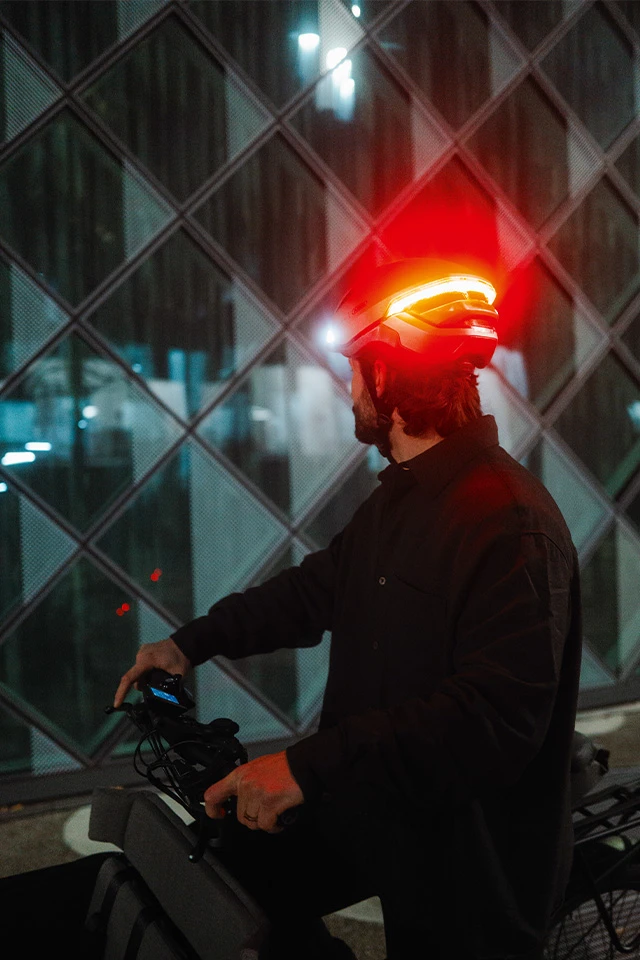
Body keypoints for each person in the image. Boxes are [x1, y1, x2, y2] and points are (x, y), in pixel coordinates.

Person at [112, 258, 583, 960]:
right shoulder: (401, 499)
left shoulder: (509, 522)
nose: (350, 389)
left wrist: (307, 767)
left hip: (464, 859)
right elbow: (316, 591)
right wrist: (190, 644)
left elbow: (492, 717)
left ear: (387, 378)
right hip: (380, 808)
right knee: (234, 885)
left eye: (356, 370)